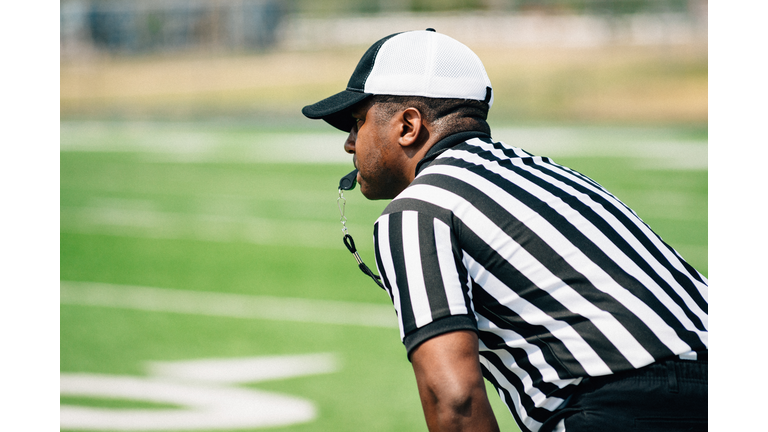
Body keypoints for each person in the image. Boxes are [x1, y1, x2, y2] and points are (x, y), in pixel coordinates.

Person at [302, 29, 708, 432]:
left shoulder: (417, 210)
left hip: (618, 405)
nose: (350, 144)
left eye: (358, 122)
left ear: (408, 126)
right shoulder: (549, 173)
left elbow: (454, 401)